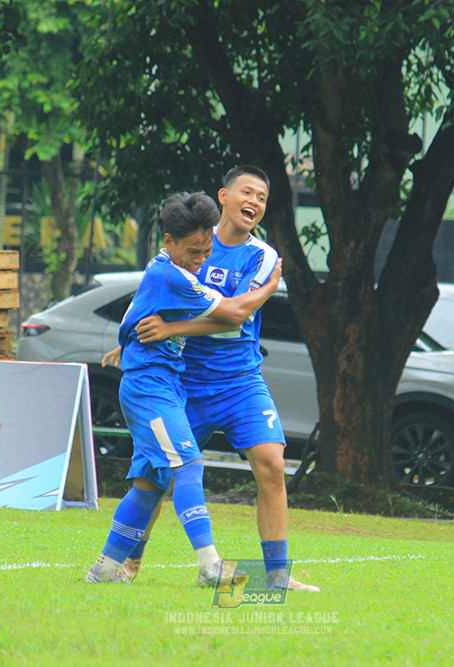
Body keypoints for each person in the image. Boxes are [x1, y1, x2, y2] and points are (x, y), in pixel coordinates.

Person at [108, 165, 319, 592]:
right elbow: (153, 297)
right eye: (247, 192)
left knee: (272, 464)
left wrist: (171, 328)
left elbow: (235, 318)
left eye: (261, 197)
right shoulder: (190, 243)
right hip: (183, 378)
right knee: (155, 476)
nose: (254, 202)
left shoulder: (263, 257)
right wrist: (129, 340)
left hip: (240, 380)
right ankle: (127, 562)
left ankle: (276, 575)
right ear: (224, 196)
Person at [86, 190, 282, 585]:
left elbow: (139, 314)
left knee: (150, 485)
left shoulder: (169, 269)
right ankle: (210, 566)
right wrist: (269, 287)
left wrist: (129, 344)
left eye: (206, 251)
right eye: (193, 252)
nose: (201, 260)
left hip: (167, 383)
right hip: (150, 389)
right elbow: (232, 313)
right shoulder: (174, 276)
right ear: (169, 242)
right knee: (189, 464)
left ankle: (104, 571)